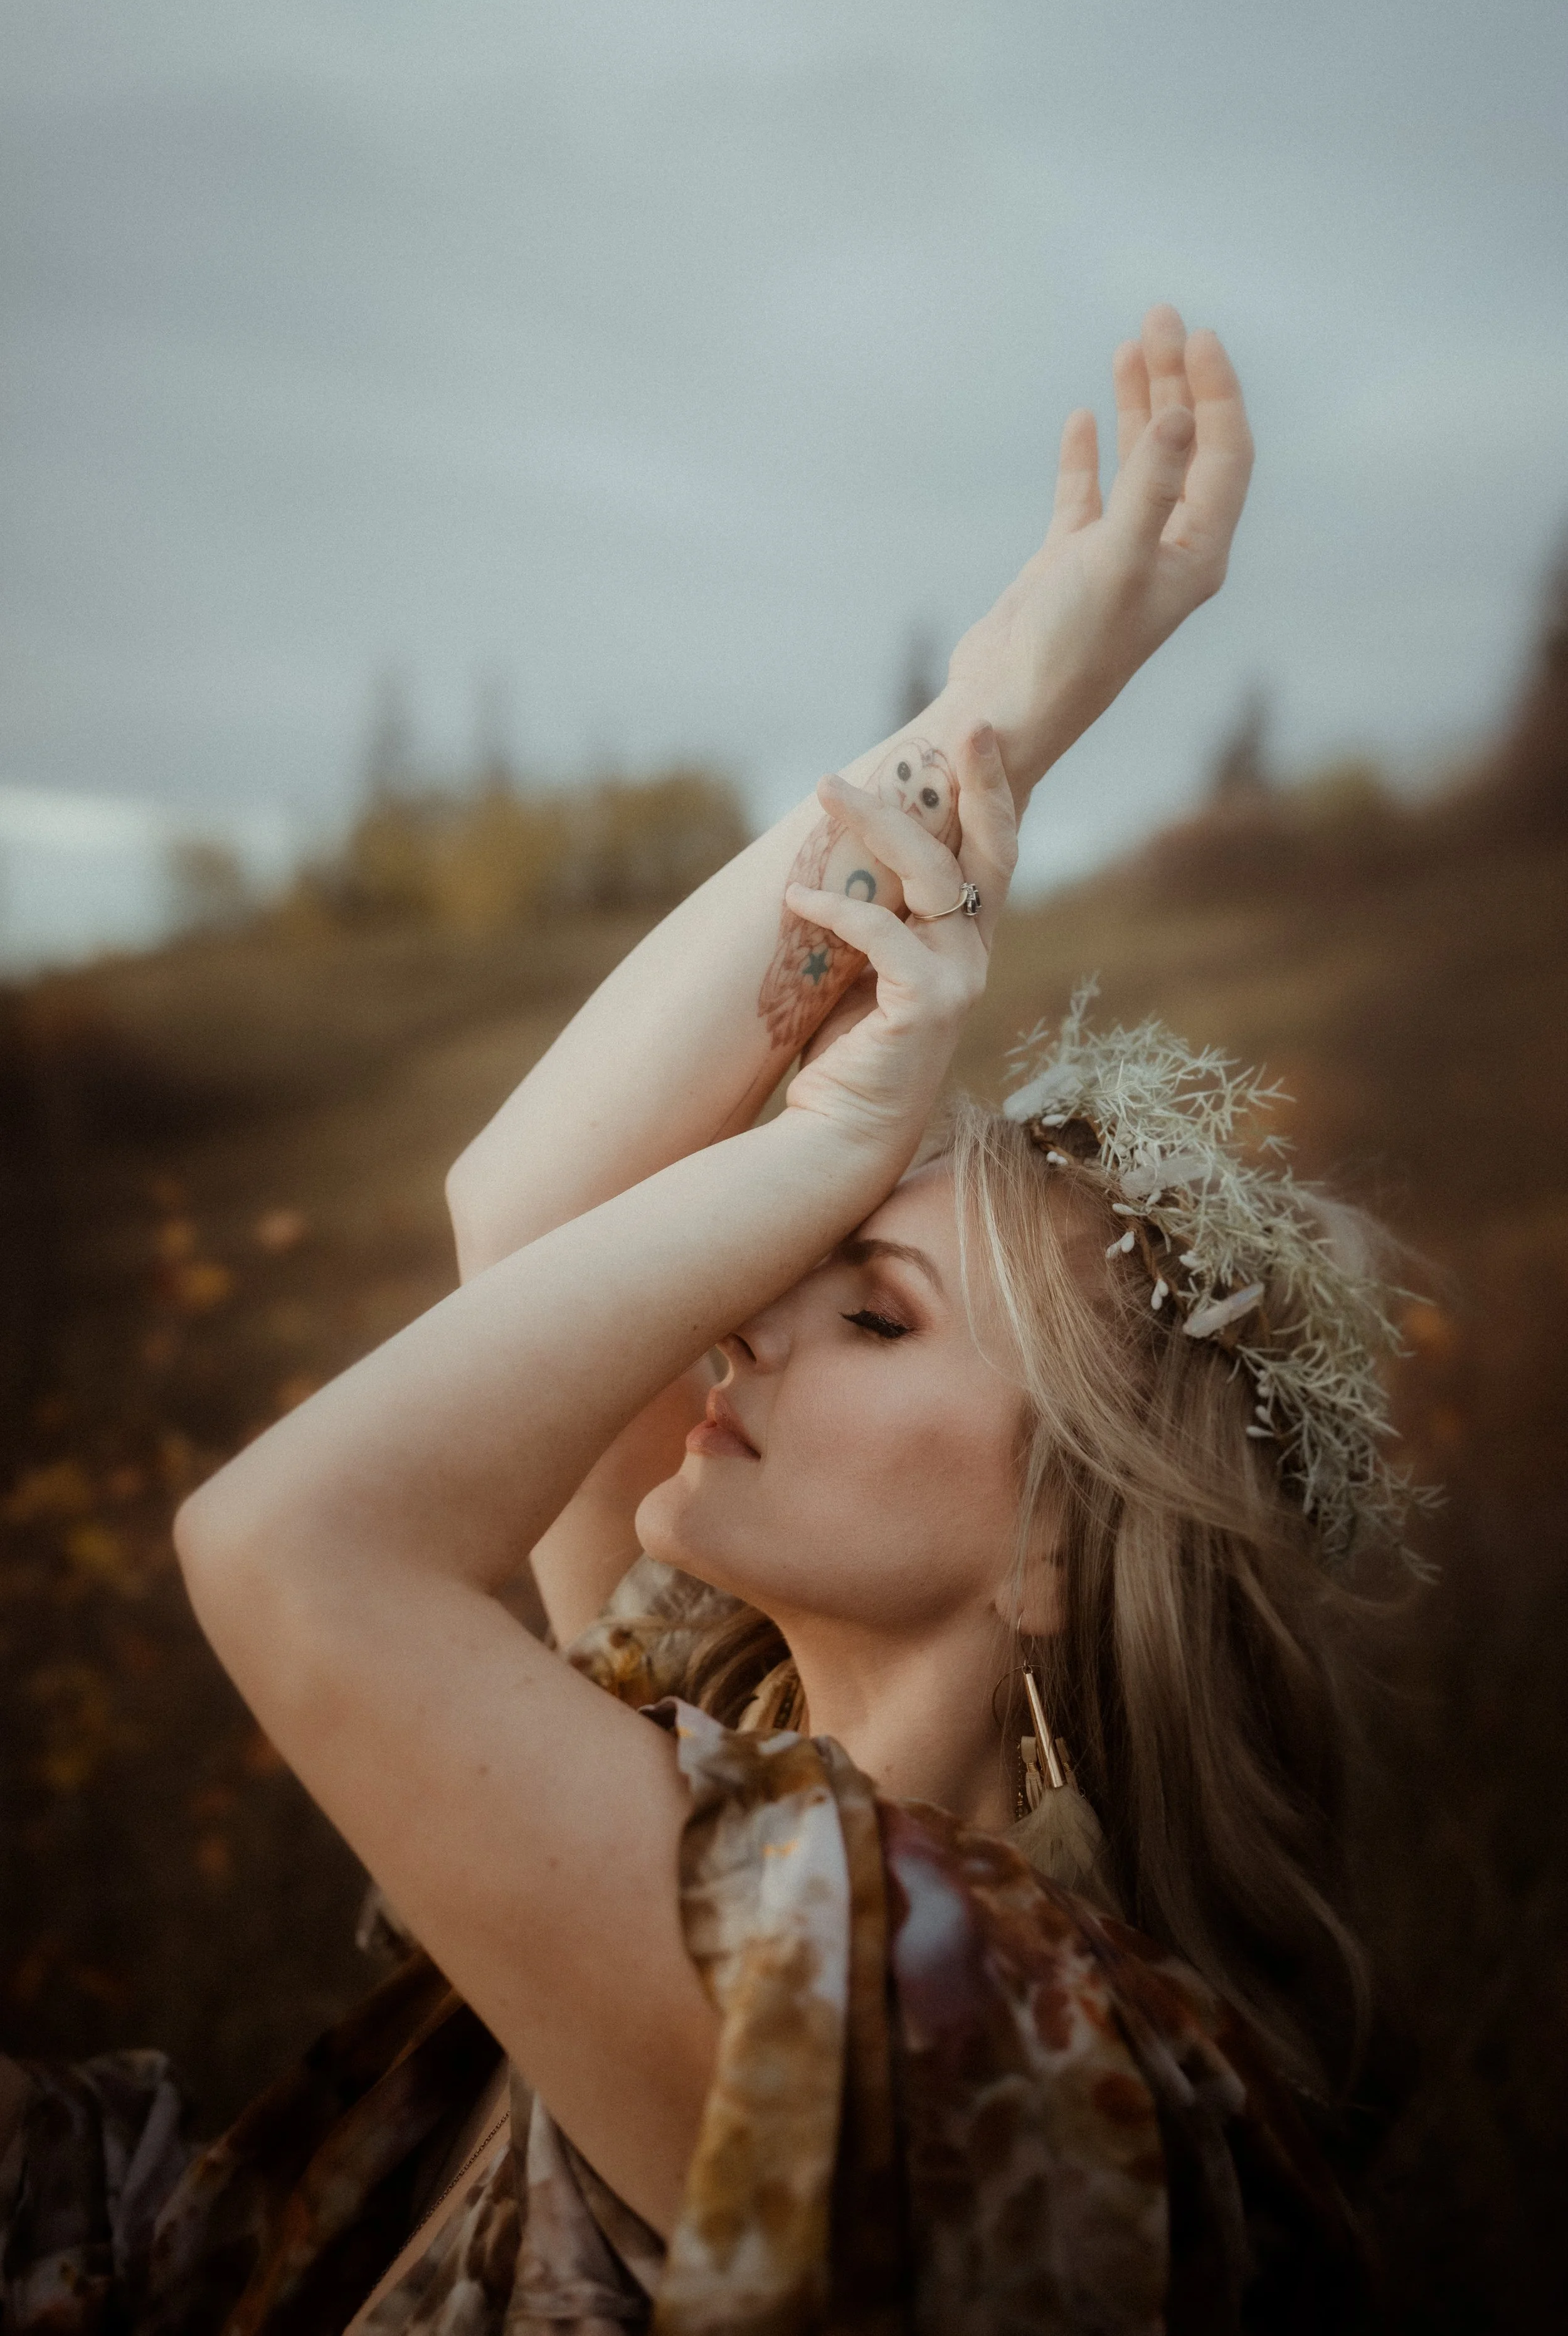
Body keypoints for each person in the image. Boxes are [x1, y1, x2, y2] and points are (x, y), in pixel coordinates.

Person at [0, 306, 1402, 2332]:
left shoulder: (960, 2018)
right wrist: (993, 706)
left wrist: (824, 1144)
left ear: (1053, 1548)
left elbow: (291, 1547)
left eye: (879, 1311)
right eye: (800, 1269)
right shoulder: (714, 1728)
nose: (746, 1319)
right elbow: (528, 1209)